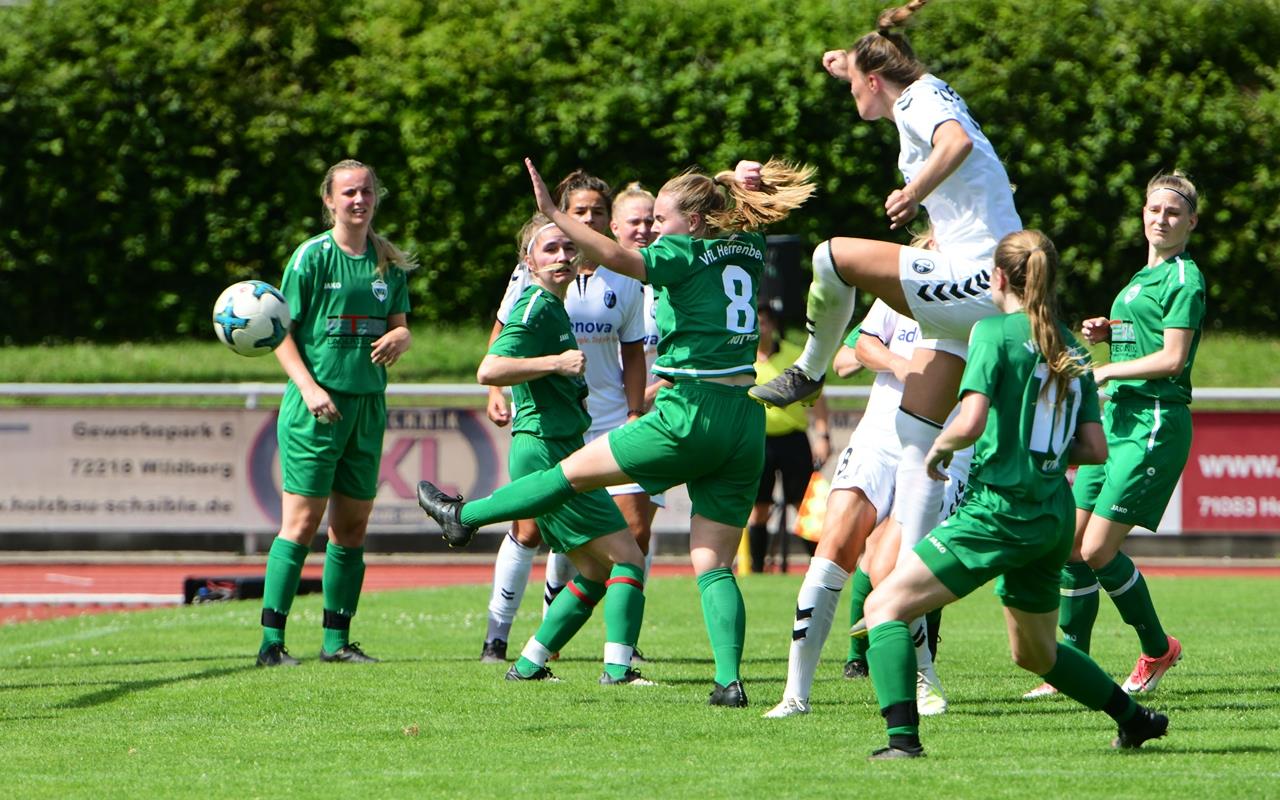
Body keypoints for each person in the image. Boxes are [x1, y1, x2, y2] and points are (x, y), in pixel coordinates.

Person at [419, 156, 816, 706]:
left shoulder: (685, 250)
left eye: (664, 218)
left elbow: (611, 253)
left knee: (568, 475)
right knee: (712, 563)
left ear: (694, 223)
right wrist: (737, 180)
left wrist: (554, 212)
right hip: (743, 419)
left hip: (689, 411)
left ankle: (464, 517)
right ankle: (728, 682)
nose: (655, 228)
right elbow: (726, 219)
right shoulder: (749, 247)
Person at [748, 0, 1022, 611]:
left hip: (976, 280)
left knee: (831, 257)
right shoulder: (918, 90)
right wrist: (846, 58)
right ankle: (910, 624)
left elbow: (952, 144)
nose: (851, 98)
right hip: (973, 308)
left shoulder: (919, 101)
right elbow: (888, 74)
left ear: (875, 82)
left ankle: (810, 371)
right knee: (917, 457)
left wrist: (913, 190)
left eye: (851, 86)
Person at [859, 229, 1169, 759]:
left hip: (998, 512)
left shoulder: (993, 333)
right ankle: (1133, 718)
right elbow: (1094, 447)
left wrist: (938, 449)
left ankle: (902, 742)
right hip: (1051, 516)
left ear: (996, 277)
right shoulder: (1070, 345)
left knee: (883, 605)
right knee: (1036, 654)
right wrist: (1038, 453)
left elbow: (972, 420)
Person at [1024, 171, 1204, 699]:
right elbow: (1144, 339)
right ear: (1143, 214)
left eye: (1173, 212)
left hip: (1152, 421)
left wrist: (1106, 370)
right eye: (1154, 210)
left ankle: (1157, 648)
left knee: (1099, 549)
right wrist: (1111, 334)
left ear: (1191, 222)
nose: (1161, 219)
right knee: (1071, 547)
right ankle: (1070, 666)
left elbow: (1172, 359)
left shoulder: (1184, 280)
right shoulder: (1138, 280)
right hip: (1117, 421)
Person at [764, 285, 971, 719]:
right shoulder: (906, 287)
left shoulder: (981, 295)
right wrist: (901, 364)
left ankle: (923, 674)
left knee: (888, 569)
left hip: (942, 444)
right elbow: (858, 345)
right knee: (833, 544)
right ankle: (795, 696)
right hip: (878, 437)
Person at [478, 172, 652, 665]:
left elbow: (635, 351)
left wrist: (635, 409)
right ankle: (500, 634)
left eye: (598, 212)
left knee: (616, 542)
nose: (588, 222)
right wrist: (502, 388)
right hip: (548, 428)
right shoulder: (534, 290)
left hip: (601, 420)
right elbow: (496, 352)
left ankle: (557, 652)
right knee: (537, 530)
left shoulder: (625, 276)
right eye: (580, 213)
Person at [256, 159, 415, 667]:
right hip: (316, 408)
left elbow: (400, 325)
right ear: (329, 200)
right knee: (301, 524)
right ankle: (271, 644)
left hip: (367, 405)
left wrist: (401, 336)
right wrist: (308, 388)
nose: (358, 200)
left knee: (352, 528)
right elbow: (280, 331)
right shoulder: (311, 258)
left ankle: (335, 642)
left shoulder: (386, 259)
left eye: (366, 191)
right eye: (348, 192)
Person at [748, 303, 831, 573]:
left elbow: (816, 398)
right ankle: (757, 571)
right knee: (758, 509)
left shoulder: (795, 356)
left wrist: (823, 435)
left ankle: (818, 568)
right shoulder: (741, 358)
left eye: (764, 322)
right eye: (755, 322)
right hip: (758, 442)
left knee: (804, 506)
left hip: (793, 440)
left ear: (772, 326)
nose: (760, 328)